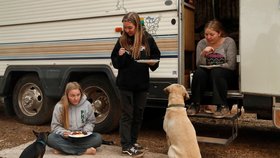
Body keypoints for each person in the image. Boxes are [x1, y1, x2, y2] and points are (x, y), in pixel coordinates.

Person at [111, 12, 161, 156]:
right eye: (125, 28)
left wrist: (152, 62)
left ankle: (133, 141)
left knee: (138, 114)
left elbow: (156, 56)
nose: (127, 31)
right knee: (127, 114)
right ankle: (126, 145)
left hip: (141, 84)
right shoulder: (121, 41)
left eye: (130, 28)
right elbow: (116, 63)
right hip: (125, 84)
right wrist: (121, 56)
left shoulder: (147, 39)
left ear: (137, 26)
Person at [187, 19, 237, 118]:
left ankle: (222, 106)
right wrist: (203, 54)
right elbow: (198, 65)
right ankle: (195, 104)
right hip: (208, 77)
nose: (208, 37)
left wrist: (213, 67)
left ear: (219, 33)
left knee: (216, 72)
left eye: (211, 34)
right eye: (206, 34)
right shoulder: (202, 43)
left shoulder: (228, 42)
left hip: (225, 77)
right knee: (199, 73)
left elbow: (231, 65)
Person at [47, 82, 102, 155]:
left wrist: (85, 131)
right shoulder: (60, 106)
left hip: (82, 137)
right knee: (51, 138)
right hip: (65, 138)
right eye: (72, 96)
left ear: (81, 93)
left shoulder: (87, 104)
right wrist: (63, 132)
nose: (76, 98)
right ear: (67, 95)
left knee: (98, 138)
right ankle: (84, 151)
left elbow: (91, 122)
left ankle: (63, 149)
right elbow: (55, 126)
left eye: (78, 95)